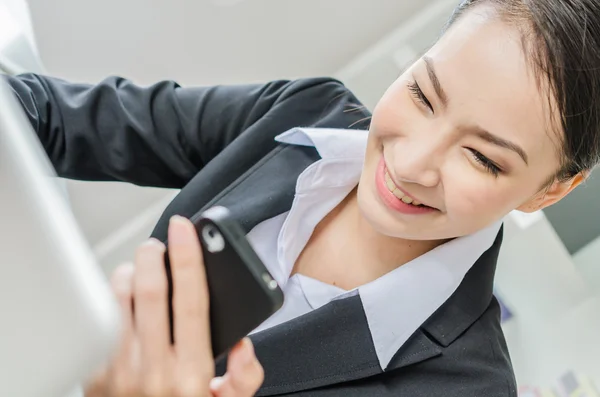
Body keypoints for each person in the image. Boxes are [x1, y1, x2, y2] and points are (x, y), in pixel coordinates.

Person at [8, 0, 600, 395]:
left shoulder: (468, 388)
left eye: (483, 158)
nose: (411, 162)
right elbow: (63, 117)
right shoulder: (303, 114)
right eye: (423, 93)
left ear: (552, 189)